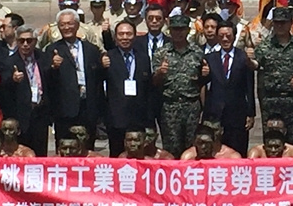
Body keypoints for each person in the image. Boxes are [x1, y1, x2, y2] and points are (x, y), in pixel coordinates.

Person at [43, 9, 105, 146]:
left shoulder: (91, 49)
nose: (66, 28)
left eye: (70, 24)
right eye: (62, 25)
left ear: (77, 25)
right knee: (66, 147)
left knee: (87, 146)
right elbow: (46, 79)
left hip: (88, 107)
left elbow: (98, 80)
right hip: (65, 110)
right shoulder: (52, 49)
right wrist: (53, 66)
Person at [251, 6, 293, 151]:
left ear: (291, 23)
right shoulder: (264, 47)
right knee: (272, 144)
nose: (280, 26)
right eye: (277, 23)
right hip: (271, 101)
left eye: (284, 22)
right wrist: (248, 60)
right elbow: (255, 64)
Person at [152, 14, 203, 157]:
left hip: (191, 106)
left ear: (187, 30)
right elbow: (154, 82)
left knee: (192, 147)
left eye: (181, 29)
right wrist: (160, 73)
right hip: (170, 106)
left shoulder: (197, 52)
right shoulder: (162, 53)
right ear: (169, 31)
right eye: (175, 29)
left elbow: (202, 81)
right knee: (171, 148)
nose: (178, 33)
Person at [201, 21, 255, 156]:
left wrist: (251, 113)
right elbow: (202, 84)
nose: (225, 39)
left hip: (237, 113)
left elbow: (250, 86)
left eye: (228, 36)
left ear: (234, 36)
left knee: (238, 151)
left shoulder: (243, 57)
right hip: (215, 113)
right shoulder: (209, 58)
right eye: (221, 36)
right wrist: (204, 74)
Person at [102, 20, 152, 158]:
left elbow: (147, 87)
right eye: (121, 34)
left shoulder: (143, 57)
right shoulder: (108, 57)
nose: (125, 37)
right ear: (115, 37)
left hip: (138, 116)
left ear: (135, 36)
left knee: (139, 154)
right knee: (117, 155)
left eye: (128, 34)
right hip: (116, 117)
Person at [175, 126, 230, 206]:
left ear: (214, 143)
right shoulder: (187, 160)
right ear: (194, 143)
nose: (204, 147)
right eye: (200, 143)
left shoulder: (222, 164)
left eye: (207, 143)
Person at [5, 25, 50, 157]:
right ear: (17, 41)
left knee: (40, 154)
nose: (25, 44)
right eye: (21, 41)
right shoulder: (9, 62)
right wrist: (13, 80)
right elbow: (3, 86)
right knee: (21, 154)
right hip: (20, 116)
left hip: (40, 114)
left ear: (35, 42)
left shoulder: (43, 58)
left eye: (29, 41)